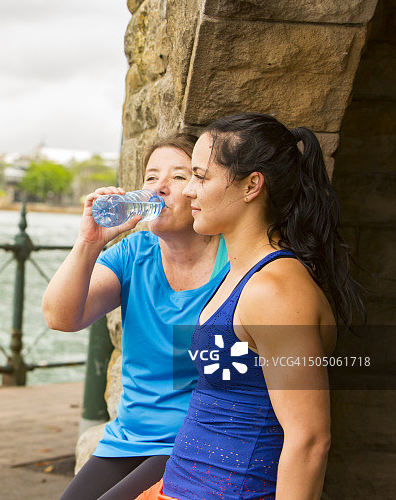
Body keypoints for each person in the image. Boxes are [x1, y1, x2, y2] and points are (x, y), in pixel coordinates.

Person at [136, 113, 364, 500]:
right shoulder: (238, 273)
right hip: (182, 486)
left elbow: (309, 440)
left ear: (251, 185)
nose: (188, 190)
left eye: (200, 176)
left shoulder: (276, 292)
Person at [43, 133, 230, 500]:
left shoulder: (233, 261)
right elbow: (59, 316)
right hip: (128, 437)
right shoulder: (133, 253)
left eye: (178, 176)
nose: (160, 187)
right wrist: (90, 242)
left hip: (192, 442)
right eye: (150, 177)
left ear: (199, 189)